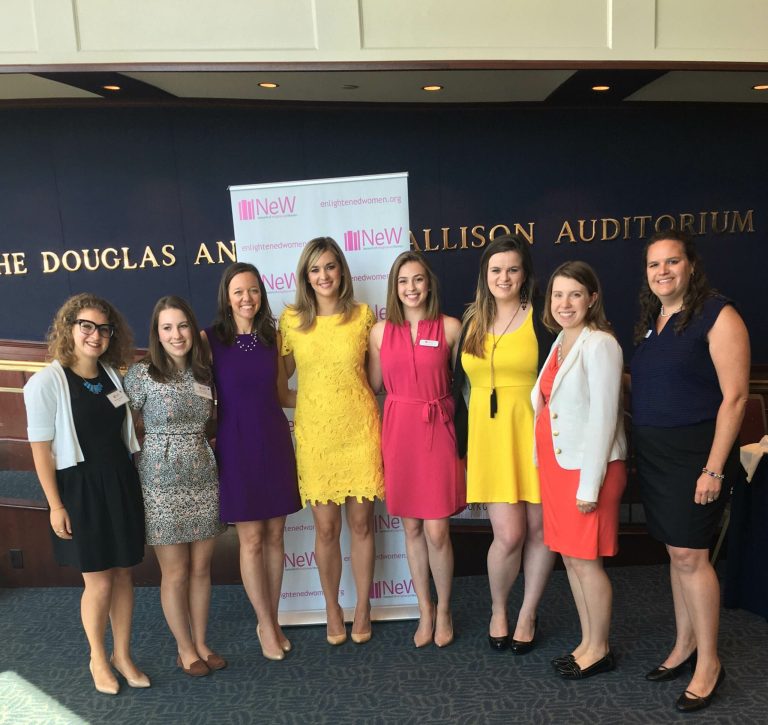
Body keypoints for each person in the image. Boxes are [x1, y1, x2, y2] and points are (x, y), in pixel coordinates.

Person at [631, 230, 749, 712]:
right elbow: (651, 382)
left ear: (691, 266)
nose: (662, 271)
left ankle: (709, 662)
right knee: (676, 553)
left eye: (672, 261)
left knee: (691, 555)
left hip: (697, 455)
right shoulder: (654, 321)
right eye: (654, 264)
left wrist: (714, 469)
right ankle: (684, 645)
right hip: (655, 455)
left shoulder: (719, 315)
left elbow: (735, 398)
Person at [23, 293, 148, 695]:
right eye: (87, 326)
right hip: (79, 490)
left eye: (104, 329)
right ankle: (98, 658)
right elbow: (40, 450)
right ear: (69, 328)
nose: (96, 335)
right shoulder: (47, 382)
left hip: (120, 483)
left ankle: (122, 655)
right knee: (98, 582)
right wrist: (55, 505)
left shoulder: (112, 375)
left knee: (124, 574)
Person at [452, 234, 556, 652]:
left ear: (525, 274)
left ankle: (528, 613)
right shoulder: (471, 320)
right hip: (490, 440)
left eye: (513, 269)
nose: (504, 277)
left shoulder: (544, 317)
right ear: (485, 274)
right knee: (509, 535)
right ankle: (499, 609)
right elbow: (457, 387)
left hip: (534, 435)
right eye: (496, 270)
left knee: (539, 530)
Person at [280, 236, 384, 646]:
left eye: (330, 266)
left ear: (341, 270)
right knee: (325, 529)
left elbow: (373, 380)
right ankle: (332, 608)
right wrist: (313, 402)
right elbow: (280, 387)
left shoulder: (362, 317)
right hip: (316, 438)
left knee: (361, 525)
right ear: (305, 277)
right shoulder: (292, 321)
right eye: (315, 269)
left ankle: (363, 607)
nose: (323, 275)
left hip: (360, 432)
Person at [531, 261, 627, 679]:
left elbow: (604, 417)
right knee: (571, 560)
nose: (564, 303)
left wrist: (589, 486)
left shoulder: (600, 344)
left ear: (592, 298)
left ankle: (600, 649)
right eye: (557, 295)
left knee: (587, 562)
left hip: (589, 471)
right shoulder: (560, 342)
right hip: (559, 468)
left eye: (574, 294)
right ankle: (587, 641)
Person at [124, 296, 227, 677]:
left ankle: (201, 642)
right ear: (157, 333)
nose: (176, 334)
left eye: (182, 325)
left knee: (201, 568)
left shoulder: (204, 372)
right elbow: (122, 426)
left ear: (192, 329)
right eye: (167, 327)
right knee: (176, 571)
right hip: (160, 479)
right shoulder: (142, 374)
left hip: (202, 473)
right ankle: (184, 649)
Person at [204, 263, 302, 661]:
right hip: (236, 444)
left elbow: (282, 394)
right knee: (252, 539)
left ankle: (272, 620)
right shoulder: (210, 340)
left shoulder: (272, 338)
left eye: (254, 290)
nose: (247, 298)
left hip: (274, 441)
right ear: (227, 297)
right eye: (239, 291)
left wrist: (330, 401)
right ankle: (264, 622)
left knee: (276, 536)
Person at [368, 251, 466, 648]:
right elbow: (374, 385)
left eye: (418, 279)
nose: (411, 288)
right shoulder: (379, 333)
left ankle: (446, 609)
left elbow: (463, 385)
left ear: (429, 284)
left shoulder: (451, 327)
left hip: (438, 427)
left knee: (438, 530)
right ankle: (425, 608)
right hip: (399, 431)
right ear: (394, 287)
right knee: (411, 527)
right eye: (403, 281)